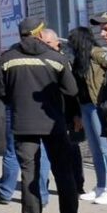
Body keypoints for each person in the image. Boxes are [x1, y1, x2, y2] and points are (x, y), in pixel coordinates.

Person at [0, 17, 84, 213]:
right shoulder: (56, 58)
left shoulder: (6, 59)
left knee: (29, 173)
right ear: (40, 34)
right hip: (54, 123)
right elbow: (71, 91)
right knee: (63, 171)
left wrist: (15, 101)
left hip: (23, 123)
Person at [39, 28, 87, 197]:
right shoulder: (41, 59)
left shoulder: (64, 60)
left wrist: (76, 114)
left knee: (72, 148)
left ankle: (77, 184)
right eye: (43, 42)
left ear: (57, 43)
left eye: (48, 43)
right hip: (49, 112)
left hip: (67, 111)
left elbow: (72, 90)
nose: (45, 46)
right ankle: (46, 187)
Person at [72, 22, 107, 205]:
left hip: (98, 105)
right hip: (86, 106)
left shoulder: (96, 53)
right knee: (95, 149)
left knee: (104, 149)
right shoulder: (79, 59)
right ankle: (101, 185)